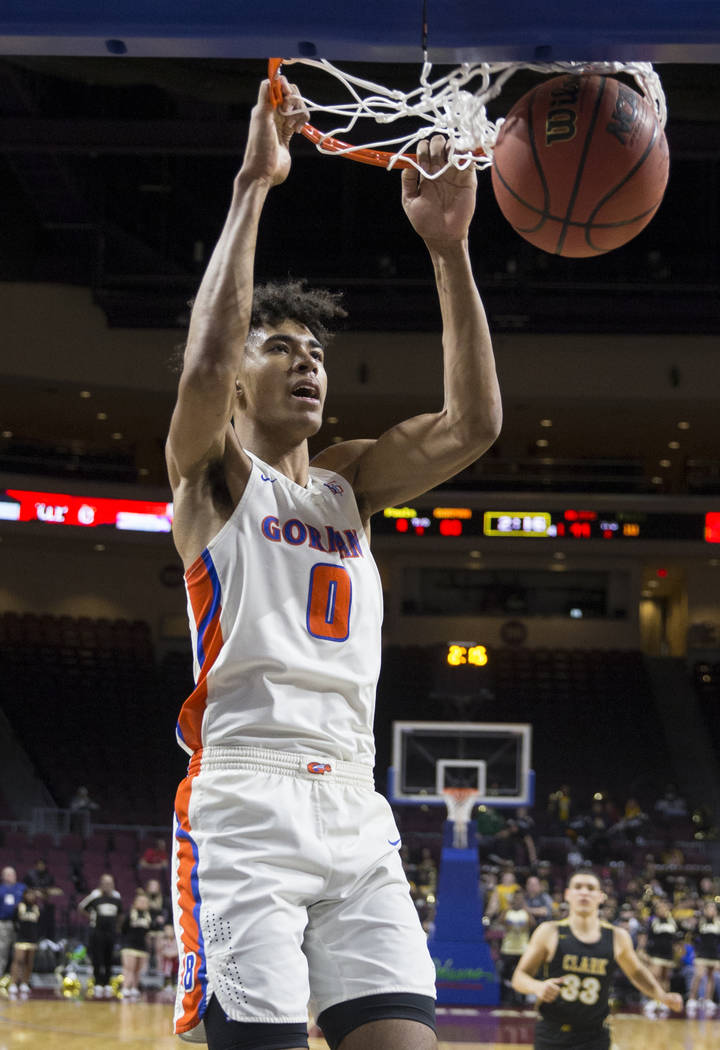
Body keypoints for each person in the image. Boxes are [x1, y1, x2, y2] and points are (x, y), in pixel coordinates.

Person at [165, 71, 501, 1050]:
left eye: (315, 349)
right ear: (236, 385)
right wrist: (252, 187)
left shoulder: (350, 482)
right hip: (246, 798)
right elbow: (199, 363)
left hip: (355, 801)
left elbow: (474, 424)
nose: (306, 358)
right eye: (277, 346)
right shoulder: (215, 482)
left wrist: (450, 248)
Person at [511, 870, 682, 1050]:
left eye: (591, 888)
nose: (584, 892)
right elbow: (519, 978)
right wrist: (537, 987)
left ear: (601, 896)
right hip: (553, 1032)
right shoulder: (549, 932)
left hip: (595, 1035)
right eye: (578, 887)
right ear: (568, 894)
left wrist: (661, 996)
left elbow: (637, 973)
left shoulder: (617, 937)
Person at [78, 873, 122, 998]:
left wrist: (116, 925)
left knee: (109, 957)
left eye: (110, 882)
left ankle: (107, 983)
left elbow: (120, 913)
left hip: (111, 932)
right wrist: (92, 917)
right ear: (101, 884)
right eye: (105, 882)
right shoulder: (95, 895)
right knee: (97, 957)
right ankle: (97, 982)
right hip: (97, 931)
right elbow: (81, 907)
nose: (108, 885)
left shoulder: (117, 897)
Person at [686, 899, 720, 1017]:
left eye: (713, 908)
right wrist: (695, 951)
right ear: (705, 911)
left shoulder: (718, 923)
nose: (710, 910)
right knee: (699, 975)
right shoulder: (700, 922)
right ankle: (692, 999)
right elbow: (693, 937)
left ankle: (708, 999)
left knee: (711, 976)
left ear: (716, 911)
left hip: (714, 954)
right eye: (708, 908)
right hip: (701, 953)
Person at [8, 887, 41, 997]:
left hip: (32, 939)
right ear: (24, 895)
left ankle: (25, 983)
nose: (30, 897)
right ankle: (13, 983)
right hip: (21, 938)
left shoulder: (36, 908)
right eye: (28, 894)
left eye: (32, 895)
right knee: (18, 960)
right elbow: (13, 921)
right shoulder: (20, 907)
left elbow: (40, 924)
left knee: (29, 962)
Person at [120, 889, 152, 999]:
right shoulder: (130, 914)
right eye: (140, 901)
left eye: (145, 902)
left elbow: (149, 931)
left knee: (138, 969)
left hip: (142, 946)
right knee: (129, 968)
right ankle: (125, 987)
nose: (143, 904)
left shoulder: (148, 916)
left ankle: (134, 987)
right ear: (135, 903)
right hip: (129, 945)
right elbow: (123, 928)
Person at [0, 866, 25, 980]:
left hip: (19, 925)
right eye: (8, 874)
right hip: (3, 924)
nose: (11, 876)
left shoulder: (21, 888)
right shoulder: (1, 889)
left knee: (19, 952)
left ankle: (18, 979)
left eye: (13, 874)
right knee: (2, 951)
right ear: (3, 876)